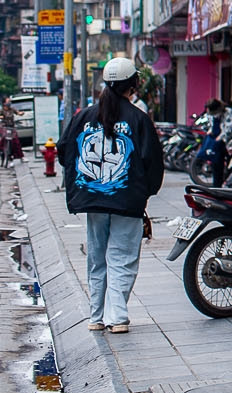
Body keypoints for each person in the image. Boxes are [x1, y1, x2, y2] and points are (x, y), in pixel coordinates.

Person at [56, 57, 165, 334]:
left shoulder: (83, 116)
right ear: (133, 85)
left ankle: (96, 316)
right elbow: (152, 161)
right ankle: (117, 316)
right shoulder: (139, 119)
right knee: (122, 257)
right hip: (127, 201)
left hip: (93, 199)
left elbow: (63, 150)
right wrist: (145, 193)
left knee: (97, 257)